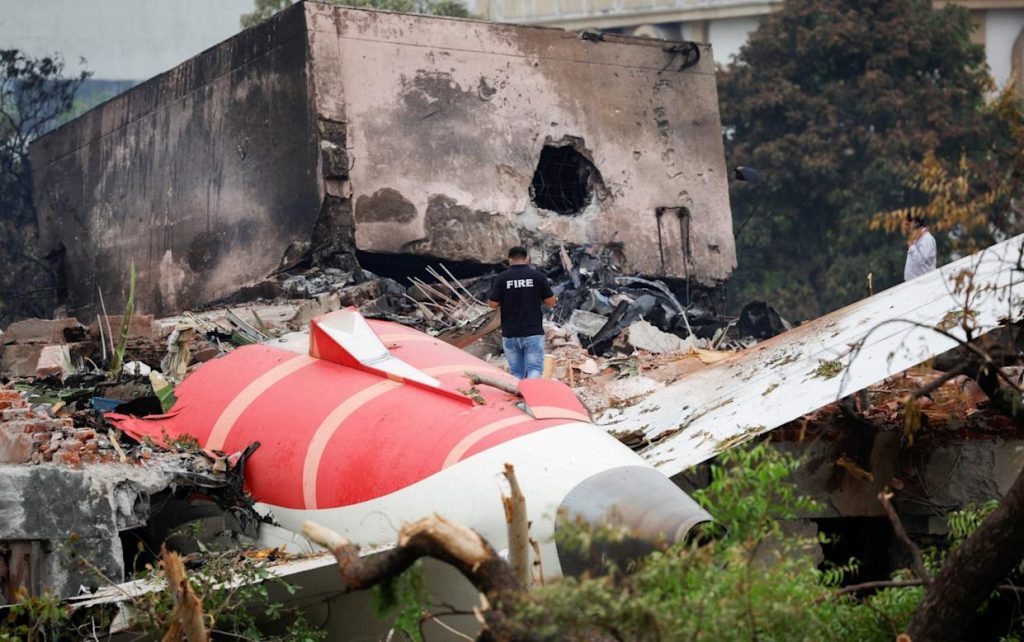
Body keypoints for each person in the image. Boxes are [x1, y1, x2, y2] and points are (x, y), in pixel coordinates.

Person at [487, 246, 556, 379]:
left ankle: (517, 393)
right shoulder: (538, 276)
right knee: (534, 369)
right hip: (532, 332)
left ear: (510, 260)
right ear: (527, 258)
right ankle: (531, 393)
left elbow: (493, 304)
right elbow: (550, 302)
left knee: (516, 373)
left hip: (510, 333)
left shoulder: (502, 278)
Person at [903, 214, 936, 281]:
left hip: (923, 282)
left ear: (916, 224)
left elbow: (920, 260)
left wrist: (912, 247)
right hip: (916, 283)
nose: (907, 228)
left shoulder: (927, 239)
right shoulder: (918, 239)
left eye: (909, 224)